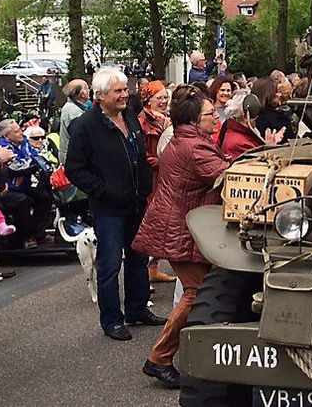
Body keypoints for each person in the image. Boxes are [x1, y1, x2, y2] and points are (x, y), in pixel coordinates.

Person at [132, 89, 229, 388]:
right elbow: (228, 173)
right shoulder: (194, 148)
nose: (215, 117)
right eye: (210, 114)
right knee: (195, 294)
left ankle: (178, 354)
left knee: (197, 292)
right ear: (195, 120)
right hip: (180, 230)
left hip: (178, 226)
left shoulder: (186, 139)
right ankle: (159, 358)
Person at [64, 69, 165, 341]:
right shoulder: (86, 126)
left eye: (125, 89)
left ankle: (137, 309)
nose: (124, 95)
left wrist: (143, 186)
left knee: (138, 259)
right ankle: (111, 320)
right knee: (109, 266)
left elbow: (138, 155)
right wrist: (104, 191)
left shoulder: (129, 117)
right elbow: (74, 169)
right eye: (118, 91)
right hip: (108, 208)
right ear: (100, 96)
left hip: (135, 203)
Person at [136, 81, 176, 286]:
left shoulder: (166, 119)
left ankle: (152, 268)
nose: (163, 101)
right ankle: (145, 270)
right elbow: (142, 153)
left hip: (165, 177)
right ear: (148, 100)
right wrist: (158, 161)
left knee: (161, 223)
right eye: (158, 97)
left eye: (165, 97)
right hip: (152, 178)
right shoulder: (142, 122)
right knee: (153, 221)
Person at [0, 119, 52, 249]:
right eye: (17, 131)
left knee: (44, 195)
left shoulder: (24, 142)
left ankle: (39, 233)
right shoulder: (2, 147)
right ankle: (26, 237)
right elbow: (16, 168)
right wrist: (34, 165)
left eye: (20, 129)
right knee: (22, 201)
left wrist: (38, 166)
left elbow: (35, 157)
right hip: (7, 188)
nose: (21, 132)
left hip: (24, 184)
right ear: (6, 136)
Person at [217, 82, 284, 159]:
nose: (257, 117)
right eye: (254, 113)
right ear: (245, 116)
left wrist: (268, 145)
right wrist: (270, 150)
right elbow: (257, 167)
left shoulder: (241, 135)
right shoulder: (239, 143)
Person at [58, 79, 90, 165]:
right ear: (81, 93)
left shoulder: (71, 107)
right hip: (72, 160)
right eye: (87, 88)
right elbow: (81, 136)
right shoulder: (73, 111)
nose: (89, 90)